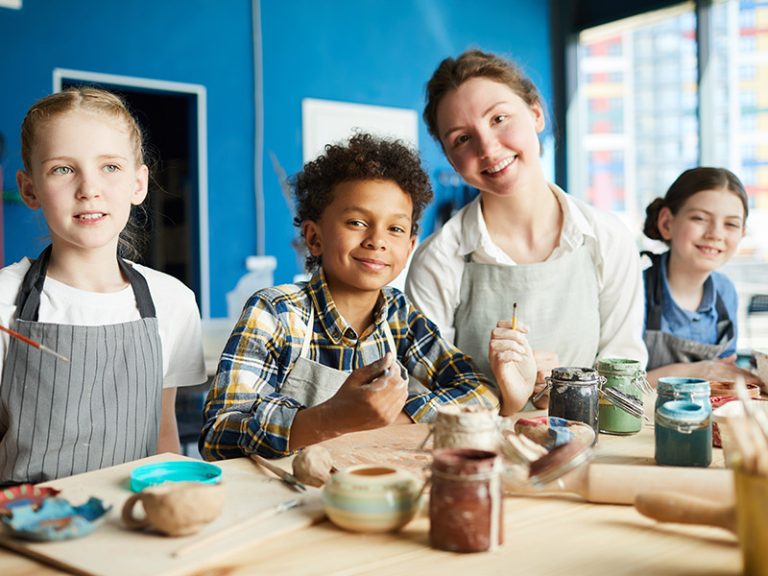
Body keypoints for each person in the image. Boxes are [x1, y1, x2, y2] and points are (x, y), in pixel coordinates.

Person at [200, 133, 535, 460]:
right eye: (357, 222)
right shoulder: (276, 312)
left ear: (410, 247)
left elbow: (480, 391)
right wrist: (331, 419)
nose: (377, 240)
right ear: (314, 238)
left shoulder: (401, 317)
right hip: (285, 497)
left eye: (396, 228)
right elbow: (219, 432)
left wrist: (390, 417)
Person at [406, 49, 647, 406]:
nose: (488, 147)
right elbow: (421, 395)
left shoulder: (607, 239)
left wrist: (563, 390)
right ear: (450, 157)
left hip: (589, 452)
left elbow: (625, 377)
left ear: (536, 113)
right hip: (476, 456)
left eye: (499, 118)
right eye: (461, 138)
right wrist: (506, 398)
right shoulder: (438, 260)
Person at [0, 87, 206, 485]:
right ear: (29, 189)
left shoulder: (172, 301)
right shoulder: (4, 300)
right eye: (63, 168)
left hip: (133, 525)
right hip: (24, 529)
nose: (88, 188)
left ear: (138, 183)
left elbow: (165, 440)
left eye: (110, 167)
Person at [642, 167, 758, 385]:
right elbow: (613, 385)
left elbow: (723, 373)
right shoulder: (636, 289)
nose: (715, 234)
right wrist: (701, 370)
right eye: (700, 218)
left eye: (731, 224)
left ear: (742, 233)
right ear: (667, 223)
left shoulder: (725, 292)